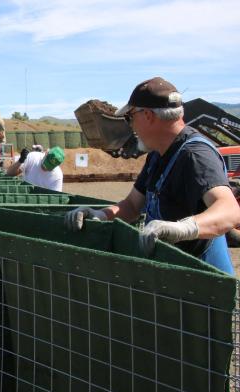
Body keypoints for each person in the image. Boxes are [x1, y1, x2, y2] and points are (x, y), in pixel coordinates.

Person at [65, 77, 240, 274]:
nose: (131, 126)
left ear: (147, 115)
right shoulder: (157, 155)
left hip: (205, 282)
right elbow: (131, 205)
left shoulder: (195, 156)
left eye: (130, 117)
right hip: (176, 275)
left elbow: (230, 211)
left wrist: (181, 229)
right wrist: (101, 215)